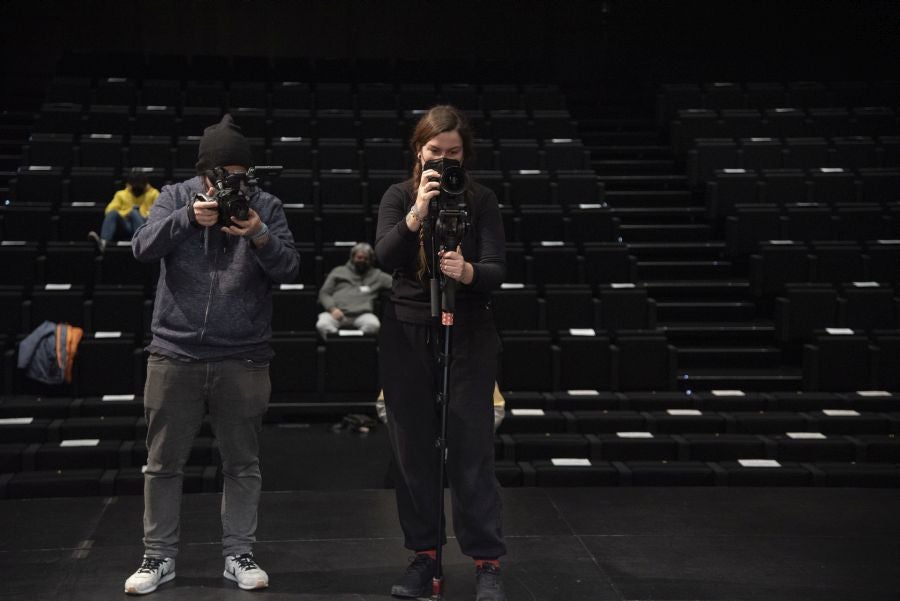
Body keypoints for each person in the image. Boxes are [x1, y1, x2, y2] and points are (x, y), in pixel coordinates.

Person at [124, 114, 299, 595]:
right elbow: (140, 247)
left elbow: (288, 266)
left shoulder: (265, 205)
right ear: (204, 173)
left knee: (242, 463)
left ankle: (238, 552)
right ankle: (158, 556)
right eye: (222, 176)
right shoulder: (175, 197)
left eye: (239, 175)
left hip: (243, 356)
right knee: (162, 463)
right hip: (174, 351)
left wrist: (259, 234)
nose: (229, 185)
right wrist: (187, 219)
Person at [375, 105, 507, 601]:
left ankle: (486, 561)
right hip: (407, 331)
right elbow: (386, 256)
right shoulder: (399, 196)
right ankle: (423, 556)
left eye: (453, 153)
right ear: (419, 150)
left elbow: (496, 266)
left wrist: (468, 273)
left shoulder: (482, 199)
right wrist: (417, 215)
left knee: (472, 448)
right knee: (412, 450)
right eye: (435, 151)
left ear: (464, 156)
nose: (443, 160)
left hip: (469, 329)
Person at [316, 242, 392, 338]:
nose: (362, 260)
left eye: (366, 258)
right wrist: (332, 309)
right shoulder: (338, 271)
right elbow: (324, 293)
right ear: (353, 257)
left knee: (374, 324)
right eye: (359, 257)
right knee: (322, 324)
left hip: (362, 315)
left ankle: (356, 346)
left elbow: (394, 283)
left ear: (371, 260)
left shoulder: (377, 275)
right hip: (338, 313)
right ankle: (338, 345)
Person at [88, 169, 159, 253]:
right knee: (113, 213)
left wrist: (143, 214)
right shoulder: (121, 194)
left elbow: (159, 213)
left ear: (145, 184)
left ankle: (143, 243)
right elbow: (109, 210)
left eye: (139, 185)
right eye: (134, 185)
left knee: (134, 212)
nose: (137, 188)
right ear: (129, 184)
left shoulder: (154, 194)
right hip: (126, 225)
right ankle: (103, 244)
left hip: (145, 225)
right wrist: (126, 213)